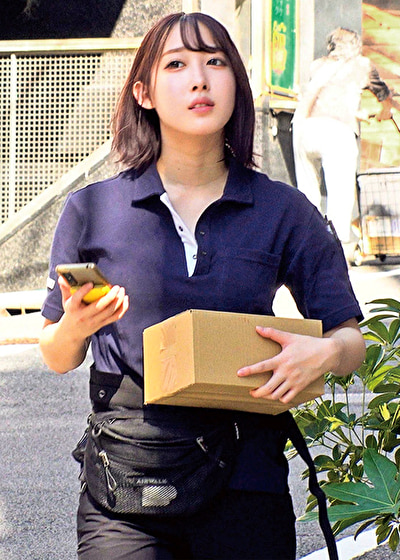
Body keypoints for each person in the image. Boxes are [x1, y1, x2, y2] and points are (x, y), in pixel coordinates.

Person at [39, 12, 366, 560]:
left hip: (248, 478)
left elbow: (350, 339)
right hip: (127, 481)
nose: (199, 79)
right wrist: (75, 326)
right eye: (176, 65)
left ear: (236, 83)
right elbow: (56, 353)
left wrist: (326, 353)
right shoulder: (93, 209)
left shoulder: (283, 209)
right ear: (143, 93)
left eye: (215, 61)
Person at [292, 27, 399, 252]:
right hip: (336, 132)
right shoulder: (362, 65)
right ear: (356, 46)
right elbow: (384, 97)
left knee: (307, 194)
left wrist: (357, 114)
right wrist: (385, 111)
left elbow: (327, 98)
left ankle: (305, 248)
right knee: (340, 196)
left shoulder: (317, 66)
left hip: (303, 127)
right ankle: (334, 251)